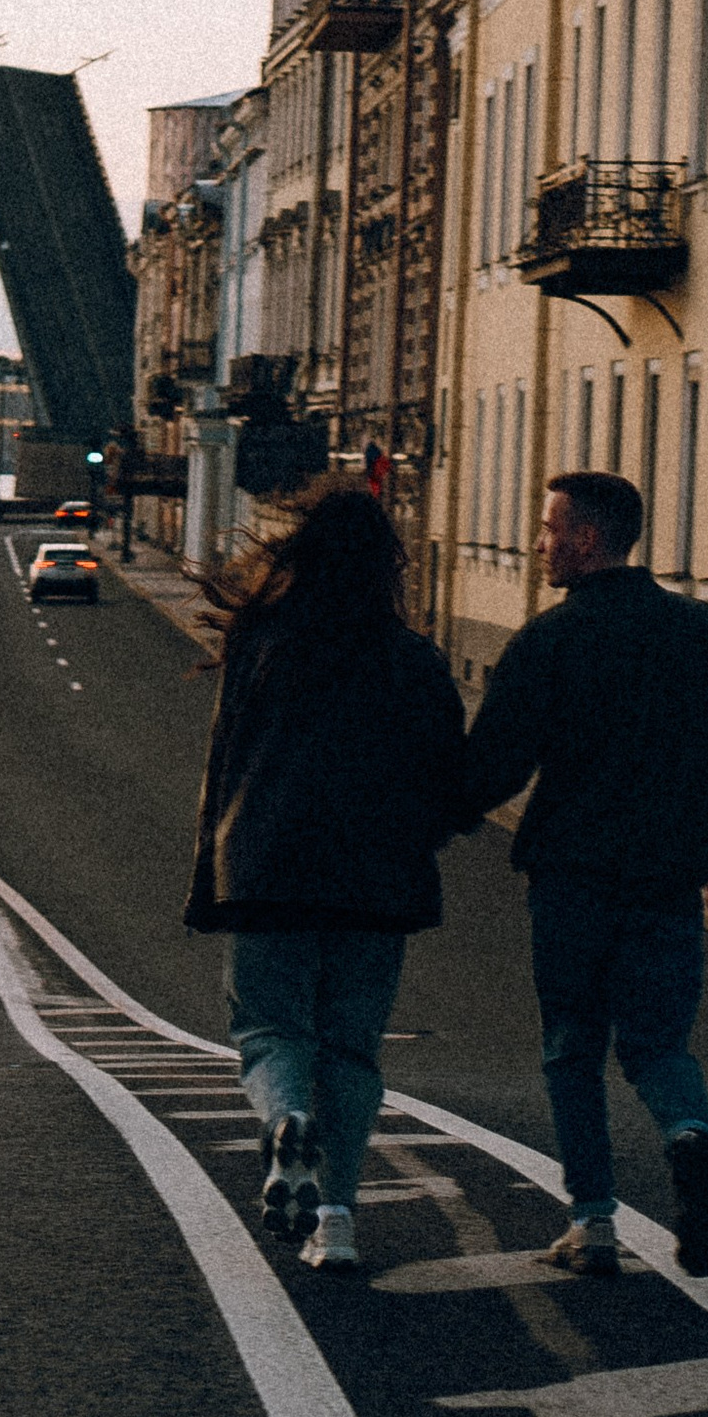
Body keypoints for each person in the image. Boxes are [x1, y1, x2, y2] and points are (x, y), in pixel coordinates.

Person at [461, 467, 708, 1276]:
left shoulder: (549, 640)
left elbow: (492, 769)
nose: (539, 544)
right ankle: (688, 1138)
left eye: (549, 530)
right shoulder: (701, 632)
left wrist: (417, 822)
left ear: (586, 539)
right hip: (667, 879)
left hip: (570, 880)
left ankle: (593, 1223)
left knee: (573, 1048)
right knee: (659, 1045)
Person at [186, 484, 468, 1274]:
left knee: (269, 1029)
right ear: (386, 567)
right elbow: (449, 776)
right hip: (376, 880)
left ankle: (287, 1118)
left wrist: (213, 871)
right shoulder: (414, 658)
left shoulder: (259, 643)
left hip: (267, 870)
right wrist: (425, 836)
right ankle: (337, 1221)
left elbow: (224, 763)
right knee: (352, 1048)